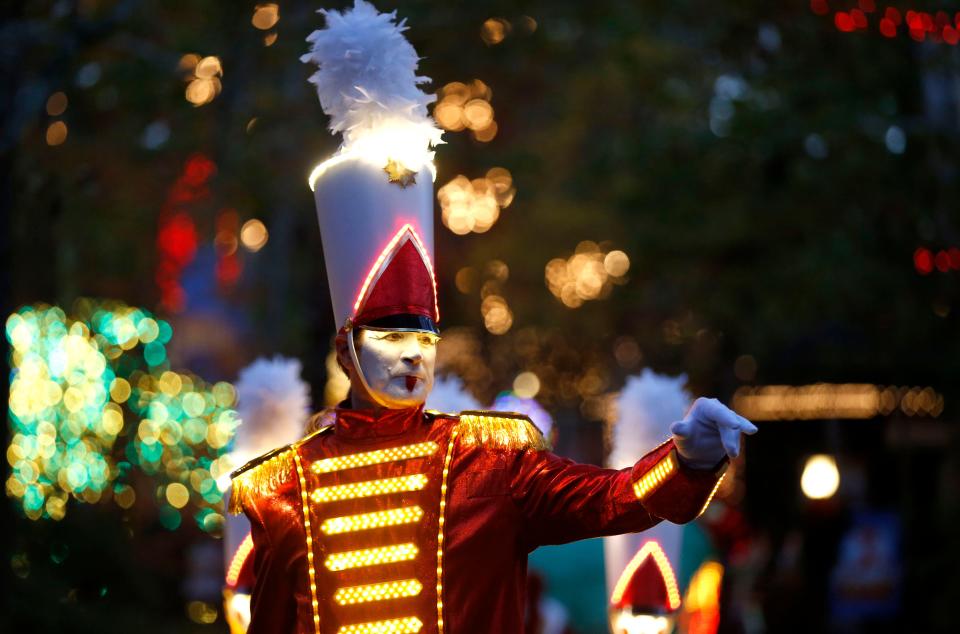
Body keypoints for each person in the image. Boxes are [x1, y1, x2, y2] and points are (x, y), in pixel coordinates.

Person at [228, 3, 756, 633]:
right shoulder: (283, 489)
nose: (411, 356)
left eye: (423, 338)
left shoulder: (489, 463)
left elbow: (615, 500)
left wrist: (689, 457)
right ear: (347, 350)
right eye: (390, 337)